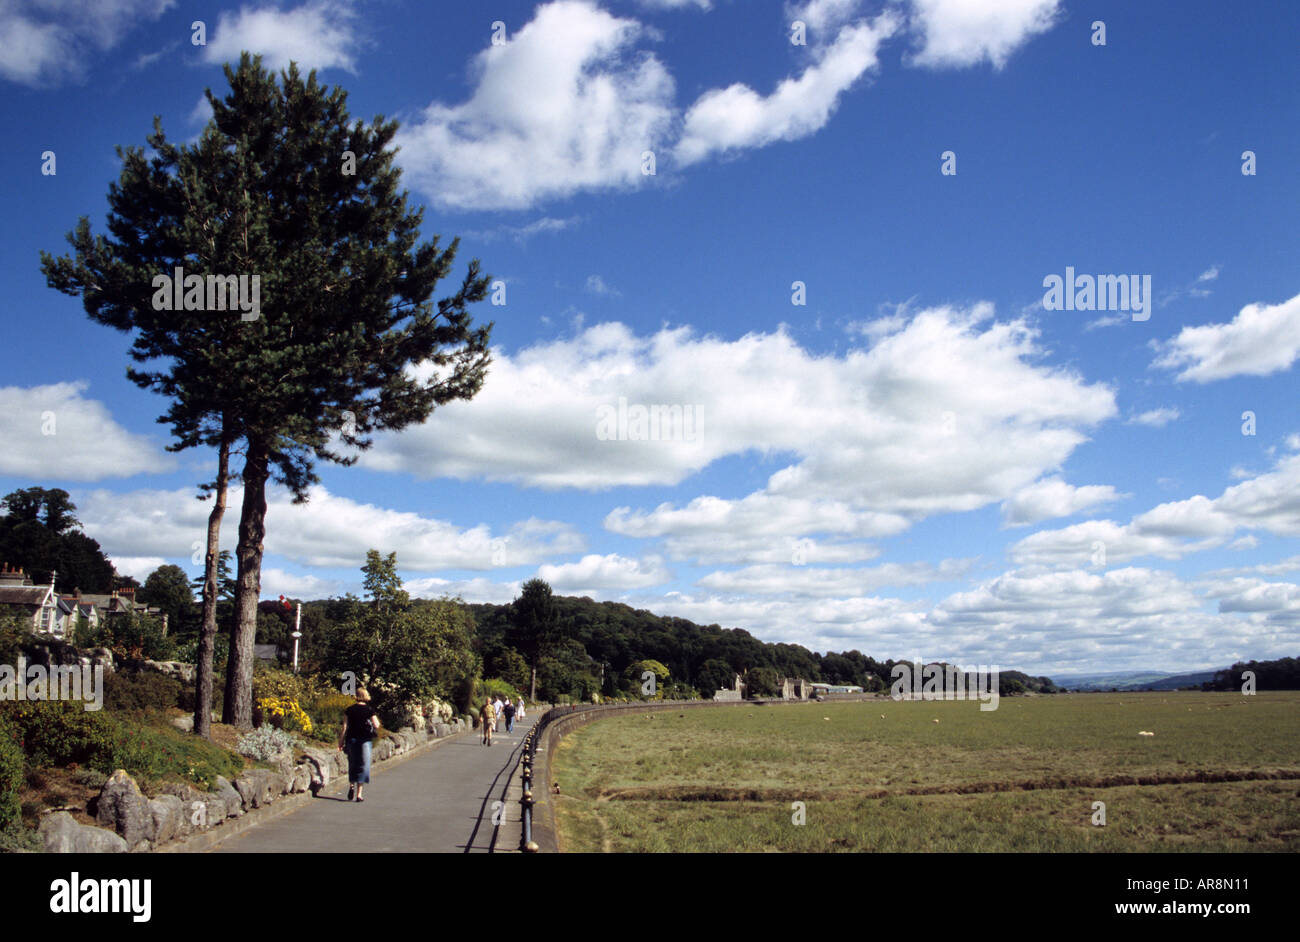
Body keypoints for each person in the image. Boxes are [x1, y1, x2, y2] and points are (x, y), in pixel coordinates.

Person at [337, 687, 381, 801]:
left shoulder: (349, 710)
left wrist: (340, 742)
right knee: (363, 765)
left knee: (353, 763)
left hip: (351, 739)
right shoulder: (369, 710)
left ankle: (351, 785)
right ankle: (359, 794)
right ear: (365, 695)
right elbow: (376, 725)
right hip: (365, 740)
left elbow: (344, 727)